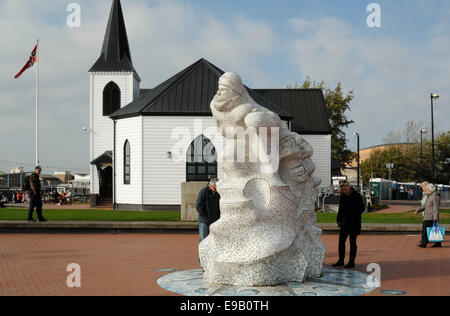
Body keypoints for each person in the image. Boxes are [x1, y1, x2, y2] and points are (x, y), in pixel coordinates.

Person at [333, 180, 365, 269]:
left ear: (349, 187)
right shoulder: (343, 196)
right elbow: (341, 209)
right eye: (342, 190)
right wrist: (339, 220)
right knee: (341, 242)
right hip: (344, 223)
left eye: (345, 189)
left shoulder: (356, 196)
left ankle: (351, 262)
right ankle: (341, 260)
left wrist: (352, 217)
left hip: (354, 223)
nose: (344, 191)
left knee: (352, 242)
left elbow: (361, 208)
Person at [416, 182, 441, 248]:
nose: (426, 191)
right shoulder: (430, 196)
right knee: (432, 230)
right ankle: (437, 243)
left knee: (426, 230)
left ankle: (424, 243)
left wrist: (436, 218)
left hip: (431, 217)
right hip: (427, 216)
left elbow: (435, 208)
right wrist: (418, 210)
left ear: (430, 190)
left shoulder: (434, 197)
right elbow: (425, 206)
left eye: (427, 190)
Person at [196, 178, 221, 243]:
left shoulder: (217, 194)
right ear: (211, 186)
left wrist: (218, 218)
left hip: (214, 221)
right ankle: (202, 253)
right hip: (204, 221)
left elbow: (218, 207)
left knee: (213, 240)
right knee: (203, 240)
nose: (217, 190)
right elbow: (198, 206)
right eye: (215, 188)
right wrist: (205, 218)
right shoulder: (203, 192)